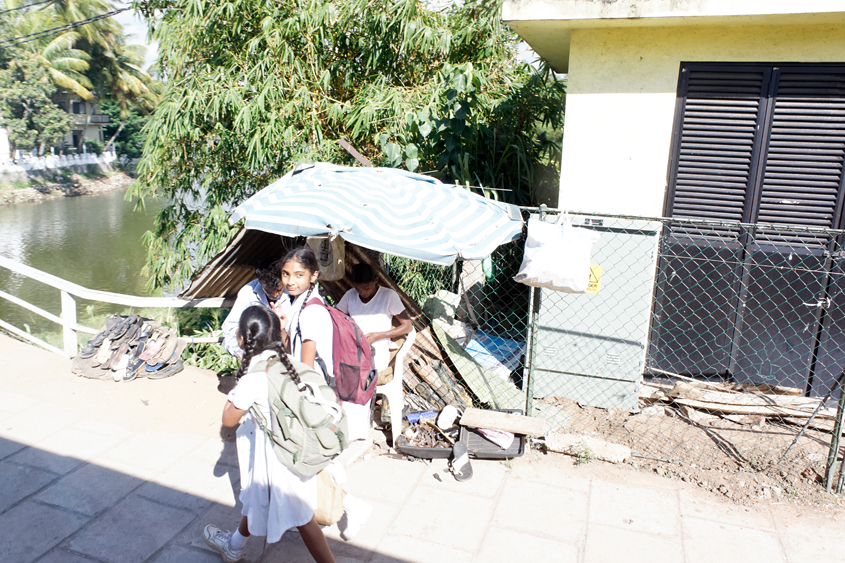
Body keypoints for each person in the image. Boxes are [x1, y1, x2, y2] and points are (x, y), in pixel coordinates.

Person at [203, 305, 335, 563]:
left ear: (242, 338)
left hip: (277, 457)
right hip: (289, 445)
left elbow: (228, 419)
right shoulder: (285, 361)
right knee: (256, 500)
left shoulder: (253, 377)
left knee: (303, 517)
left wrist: (235, 389)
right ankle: (233, 546)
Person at [279, 246, 372, 540]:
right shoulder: (300, 304)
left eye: (298, 275)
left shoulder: (310, 312)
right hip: (316, 395)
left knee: (313, 461)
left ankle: (348, 506)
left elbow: (305, 366)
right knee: (309, 461)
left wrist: (294, 401)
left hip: (313, 397)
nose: (290, 281)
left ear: (314, 276)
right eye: (286, 274)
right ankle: (313, 511)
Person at [335, 263, 412, 383]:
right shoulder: (350, 295)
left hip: (376, 354)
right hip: (352, 350)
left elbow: (407, 327)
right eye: (358, 288)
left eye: (366, 288)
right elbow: (336, 318)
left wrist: (379, 335)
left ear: (376, 280)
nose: (362, 293)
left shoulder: (388, 296)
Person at [221, 257, 290, 359]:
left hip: (285, 344)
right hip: (255, 347)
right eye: (269, 291)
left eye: (279, 290)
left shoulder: (293, 289)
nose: (275, 295)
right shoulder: (248, 292)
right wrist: (245, 335)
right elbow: (230, 326)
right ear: (260, 282)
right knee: (228, 341)